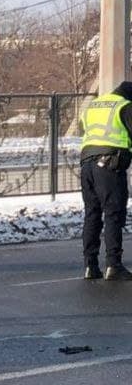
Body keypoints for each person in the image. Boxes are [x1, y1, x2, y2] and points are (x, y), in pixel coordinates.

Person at [78, 81, 132, 280]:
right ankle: (113, 265)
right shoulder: (124, 106)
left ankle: (90, 266)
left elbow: (83, 127)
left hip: (86, 165)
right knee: (113, 214)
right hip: (109, 166)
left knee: (92, 214)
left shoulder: (95, 105)